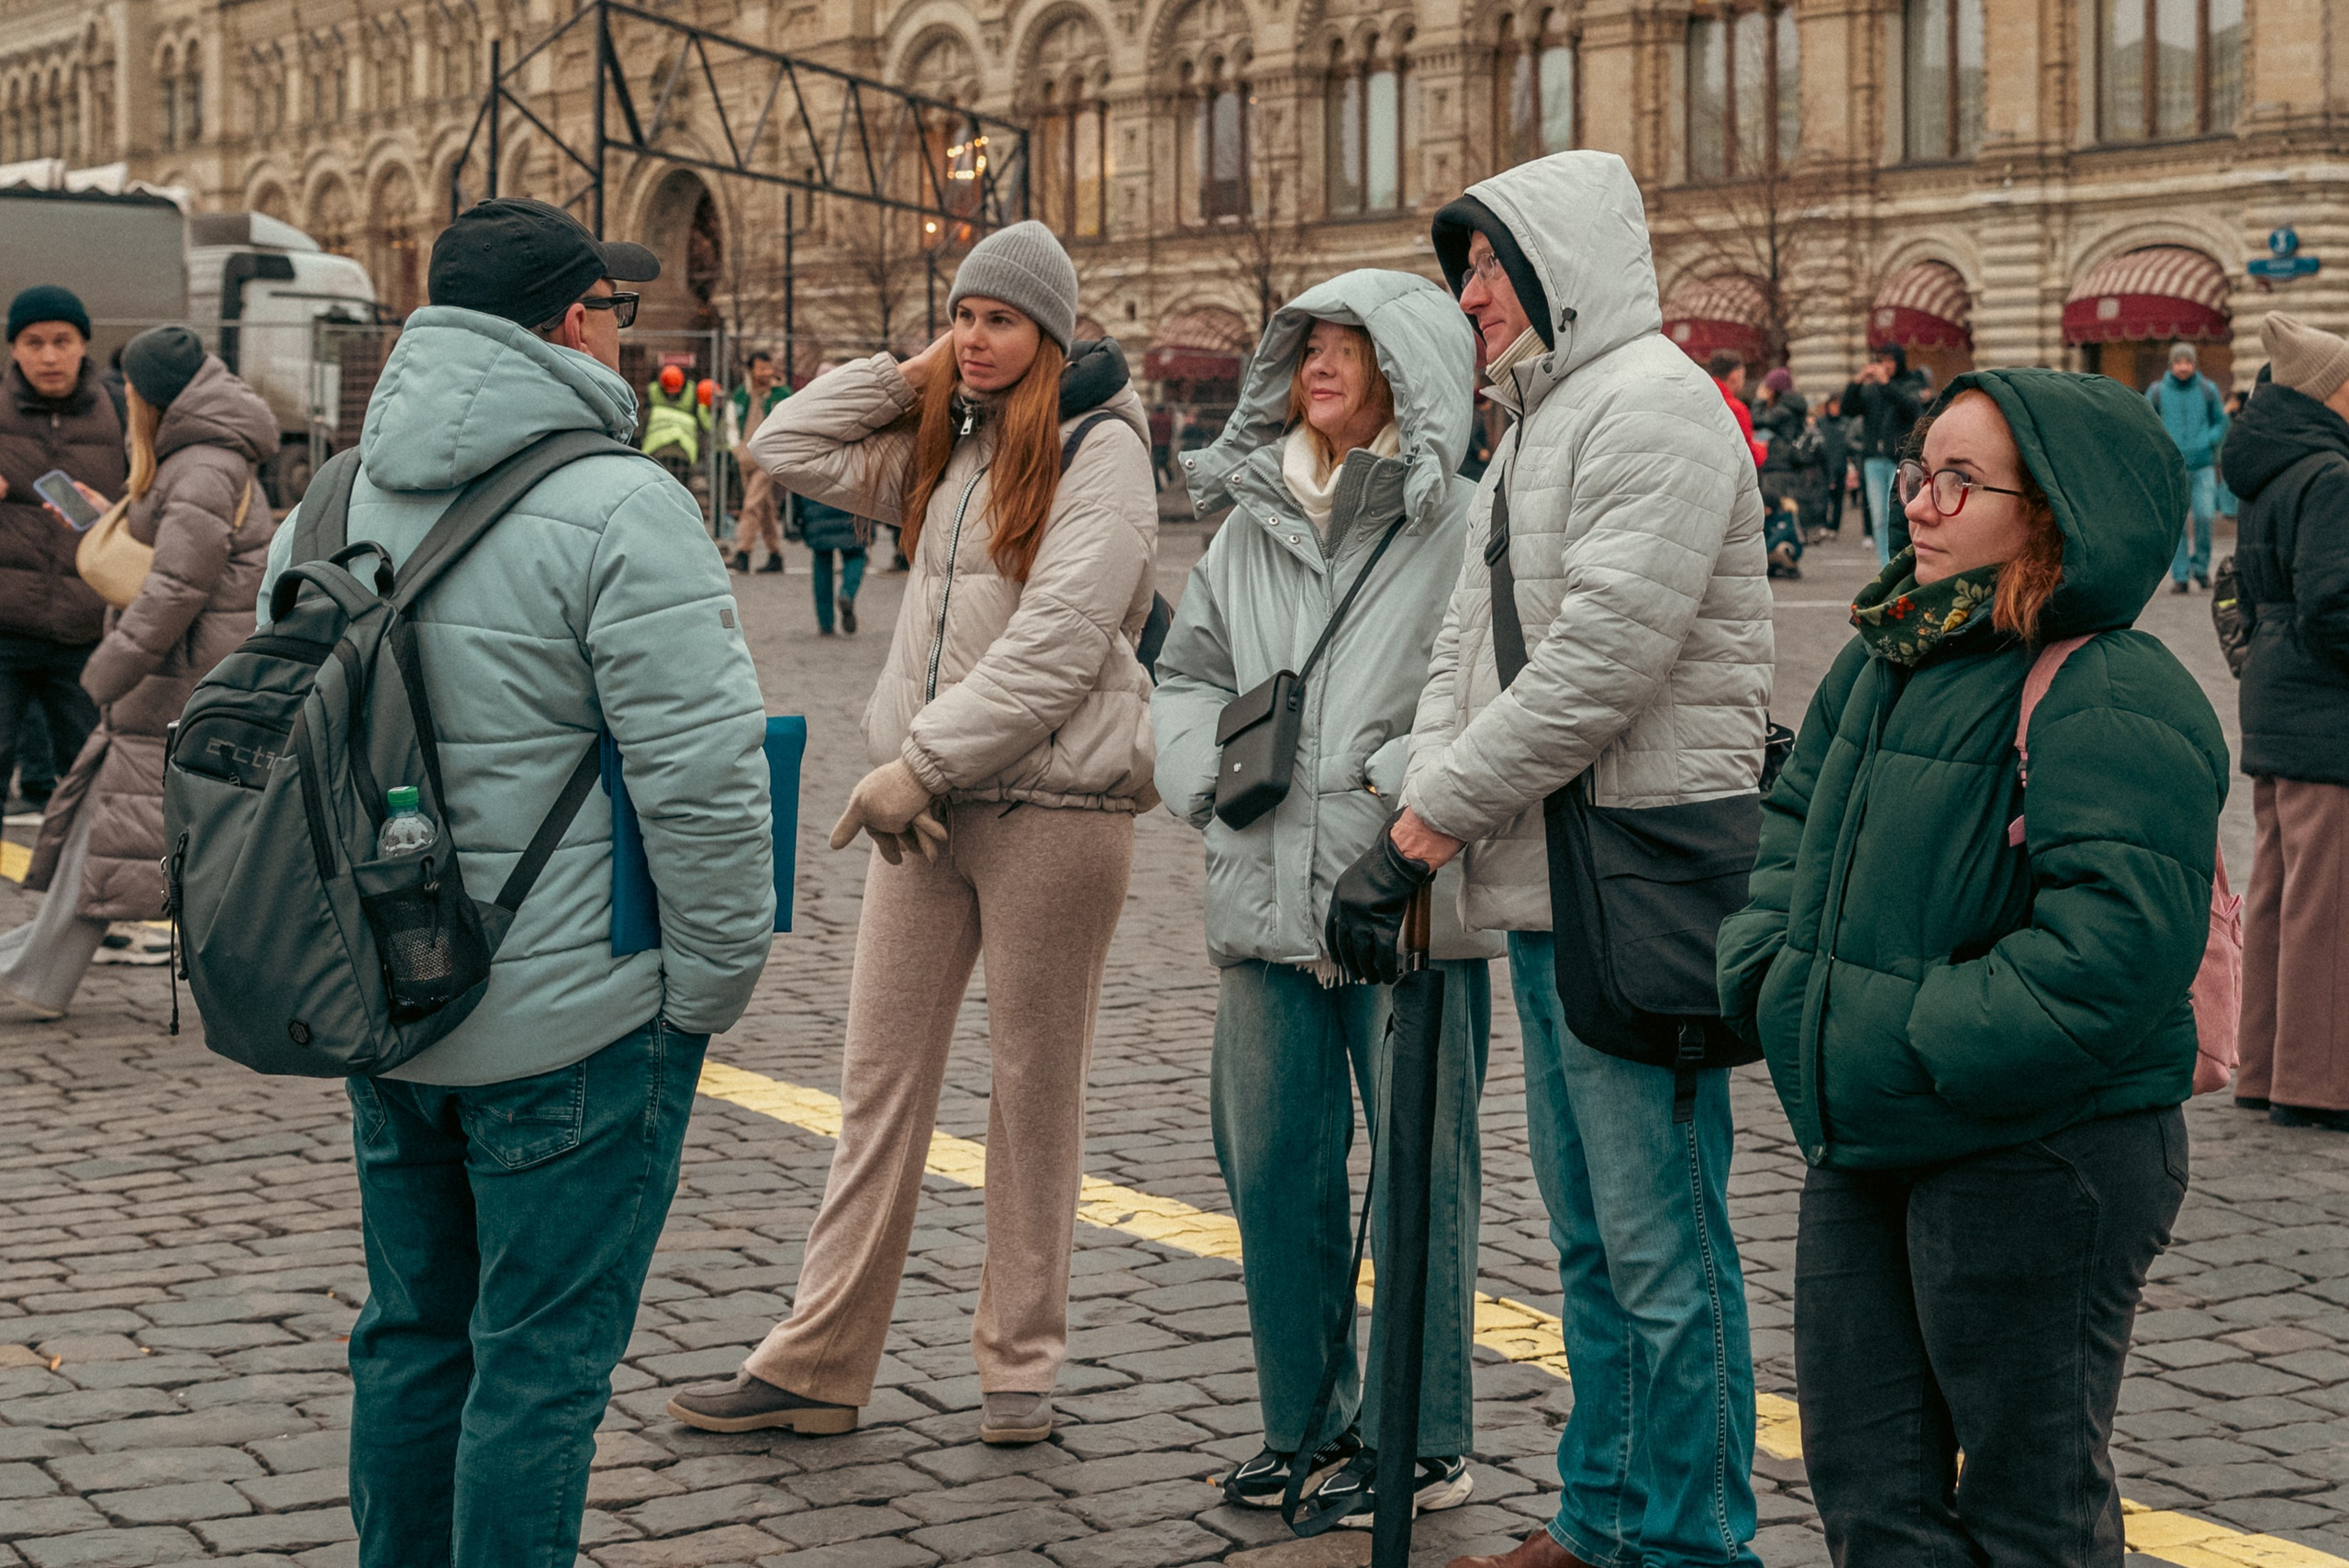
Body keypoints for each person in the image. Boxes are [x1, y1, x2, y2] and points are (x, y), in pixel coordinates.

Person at [250, 197, 775, 1565]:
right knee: (538, 1372)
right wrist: (711, 983)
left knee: (413, 1337)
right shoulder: (622, 503)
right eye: (608, 304)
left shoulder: (326, 495)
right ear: (572, 323)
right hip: (576, 1025)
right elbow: (704, 778)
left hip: (384, 1004)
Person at [1328, 150, 1773, 1568]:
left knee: (1661, 1249)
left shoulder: (1653, 408)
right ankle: (1604, 1515)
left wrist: (1422, 824)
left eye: (1487, 264)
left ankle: (1693, 1541)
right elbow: (1472, 653)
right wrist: (1402, 788)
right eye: (1462, 269)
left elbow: (1598, 667)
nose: (1467, 294)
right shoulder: (1542, 421)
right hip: (1554, 885)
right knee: (1591, 1236)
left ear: (1559, 264)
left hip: (1635, 879)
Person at [1718, 368, 2224, 1565]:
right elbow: (1791, 831)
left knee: (2029, 1504)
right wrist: (1771, 973)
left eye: (1960, 480)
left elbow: (2117, 947)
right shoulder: (1887, 653)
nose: (1920, 505)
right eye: (1917, 471)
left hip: (2035, 1149)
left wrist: (1921, 1031)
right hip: (1867, 1139)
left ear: (2051, 509)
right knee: (1867, 1491)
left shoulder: (2114, 684)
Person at [673, 220, 1157, 1447]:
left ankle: (1020, 1365)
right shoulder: (944, 447)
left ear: (1052, 331)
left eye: (1000, 319)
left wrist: (919, 762)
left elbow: (1057, 646)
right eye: (963, 315)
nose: (976, 338)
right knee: (876, 1085)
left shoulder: (1104, 452)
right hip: (928, 810)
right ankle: (818, 1361)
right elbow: (779, 443)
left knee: (1032, 1090)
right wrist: (911, 372)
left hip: (1053, 806)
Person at [1152, 272, 1499, 1524]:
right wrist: (1203, 778)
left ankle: (1422, 1435)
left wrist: (1390, 780)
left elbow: (1490, 690)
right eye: (1306, 345)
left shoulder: (1459, 520)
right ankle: (1302, 1420)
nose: (1322, 363)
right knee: (1272, 1164)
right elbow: (1184, 674)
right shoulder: (1251, 520)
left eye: (1352, 344)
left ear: (1410, 367)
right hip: (1260, 891)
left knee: (1421, 1173)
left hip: (1402, 894)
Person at [0, 328, 276, 1018]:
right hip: (177, 683)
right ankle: (30, 970)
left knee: (118, 836)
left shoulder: (203, 464)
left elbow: (178, 586)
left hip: (177, 683)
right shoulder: (199, 459)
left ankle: (34, 977)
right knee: (118, 833)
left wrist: (104, 673)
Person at [2221, 314, 2349, 1131]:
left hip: (2274, 695)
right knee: (2326, 900)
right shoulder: (2332, 473)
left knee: (2278, 887)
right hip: (2325, 704)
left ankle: (2264, 1063)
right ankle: (2319, 1079)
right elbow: (2336, 603)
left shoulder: (2274, 469)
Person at [0, 286, 117, 818]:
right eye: (34, 342)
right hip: (5, 629)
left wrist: (111, 511)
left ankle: (82, 900)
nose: (49, 356)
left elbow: (152, 506)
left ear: (83, 344)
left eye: (62, 341)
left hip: (85, 632)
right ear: (14, 348)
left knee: (90, 782)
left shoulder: (119, 408)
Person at [2147, 340, 2226, 593]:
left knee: (2204, 517)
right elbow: (2147, 420)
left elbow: (2221, 422)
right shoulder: (2158, 391)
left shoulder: (2208, 389)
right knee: (2177, 525)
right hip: (2173, 467)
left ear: (2194, 364)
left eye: (2188, 362)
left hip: (2203, 465)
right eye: (2179, 362)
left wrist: (2209, 440)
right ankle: (2180, 576)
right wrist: (2162, 446)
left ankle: (2201, 569)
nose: (2183, 367)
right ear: (2171, 365)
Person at [1842, 344, 1927, 567]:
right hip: (1873, 460)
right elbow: (1848, 408)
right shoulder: (1872, 390)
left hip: (1898, 460)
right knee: (1878, 517)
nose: (1885, 365)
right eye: (1882, 360)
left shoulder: (1909, 384)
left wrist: (1887, 385)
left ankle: (1900, 561)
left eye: (1890, 360)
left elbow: (1911, 408)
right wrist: (1858, 380)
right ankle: (1885, 565)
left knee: (1896, 514)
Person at [726, 349, 790, 573]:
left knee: (751, 504)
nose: (766, 372)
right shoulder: (741, 394)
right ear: (751, 370)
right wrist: (735, 448)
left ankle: (743, 552)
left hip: (768, 457)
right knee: (765, 509)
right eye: (761, 368)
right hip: (746, 457)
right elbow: (731, 421)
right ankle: (775, 554)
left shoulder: (781, 394)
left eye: (768, 367)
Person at [1755, 366, 1815, 578]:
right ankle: (1785, 552)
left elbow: (1759, 420)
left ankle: (1779, 554)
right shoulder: (1794, 406)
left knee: (1774, 511)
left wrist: (1759, 400)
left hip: (1778, 468)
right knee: (1786, 511)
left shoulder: (1782, 408)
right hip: (1788, 468)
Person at [1709, 348, 1765, 466]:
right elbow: (1748, 456)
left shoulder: (1699, 399)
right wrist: (1762, 447)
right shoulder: (1736, 409)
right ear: (1735, 375)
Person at [1814, 391, 1852, 541]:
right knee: (1823, 498)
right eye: (1833, 405)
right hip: (1823, 466)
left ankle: (1834, 527)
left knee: (1838, 500)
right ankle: (1823, 524)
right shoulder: (1821, 422)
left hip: (1840, 465)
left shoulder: (1845, 423)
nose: (1836, 408)